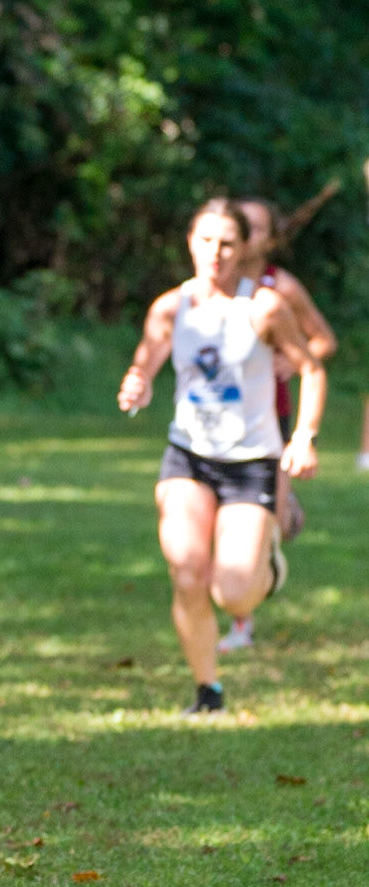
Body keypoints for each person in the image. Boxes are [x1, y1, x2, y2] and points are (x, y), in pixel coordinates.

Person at [117, 199, 324, 714]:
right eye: (206, 240)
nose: (215, 252)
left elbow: (312, 369)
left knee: (232, 594)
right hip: (188, 456)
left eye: (227, 243)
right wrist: (137, 385)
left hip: (251, 461)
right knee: (187, 571)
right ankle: (208, 692)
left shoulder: (264, 307)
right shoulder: (171, 308)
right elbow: (144, 365)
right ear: (190, 242)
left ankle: (268, 563)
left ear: (244, 248)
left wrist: (303, 437)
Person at [217, 195, 336, 651]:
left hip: (270, 418)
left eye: (258, 228)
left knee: (261, 528)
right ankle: (282, 513)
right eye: (241, 225)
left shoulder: (280, 287)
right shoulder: (209, 285)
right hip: (216, 423)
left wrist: (292, 360)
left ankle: (242, 621)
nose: (247, 236)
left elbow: (322, 341)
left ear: (270, 239)